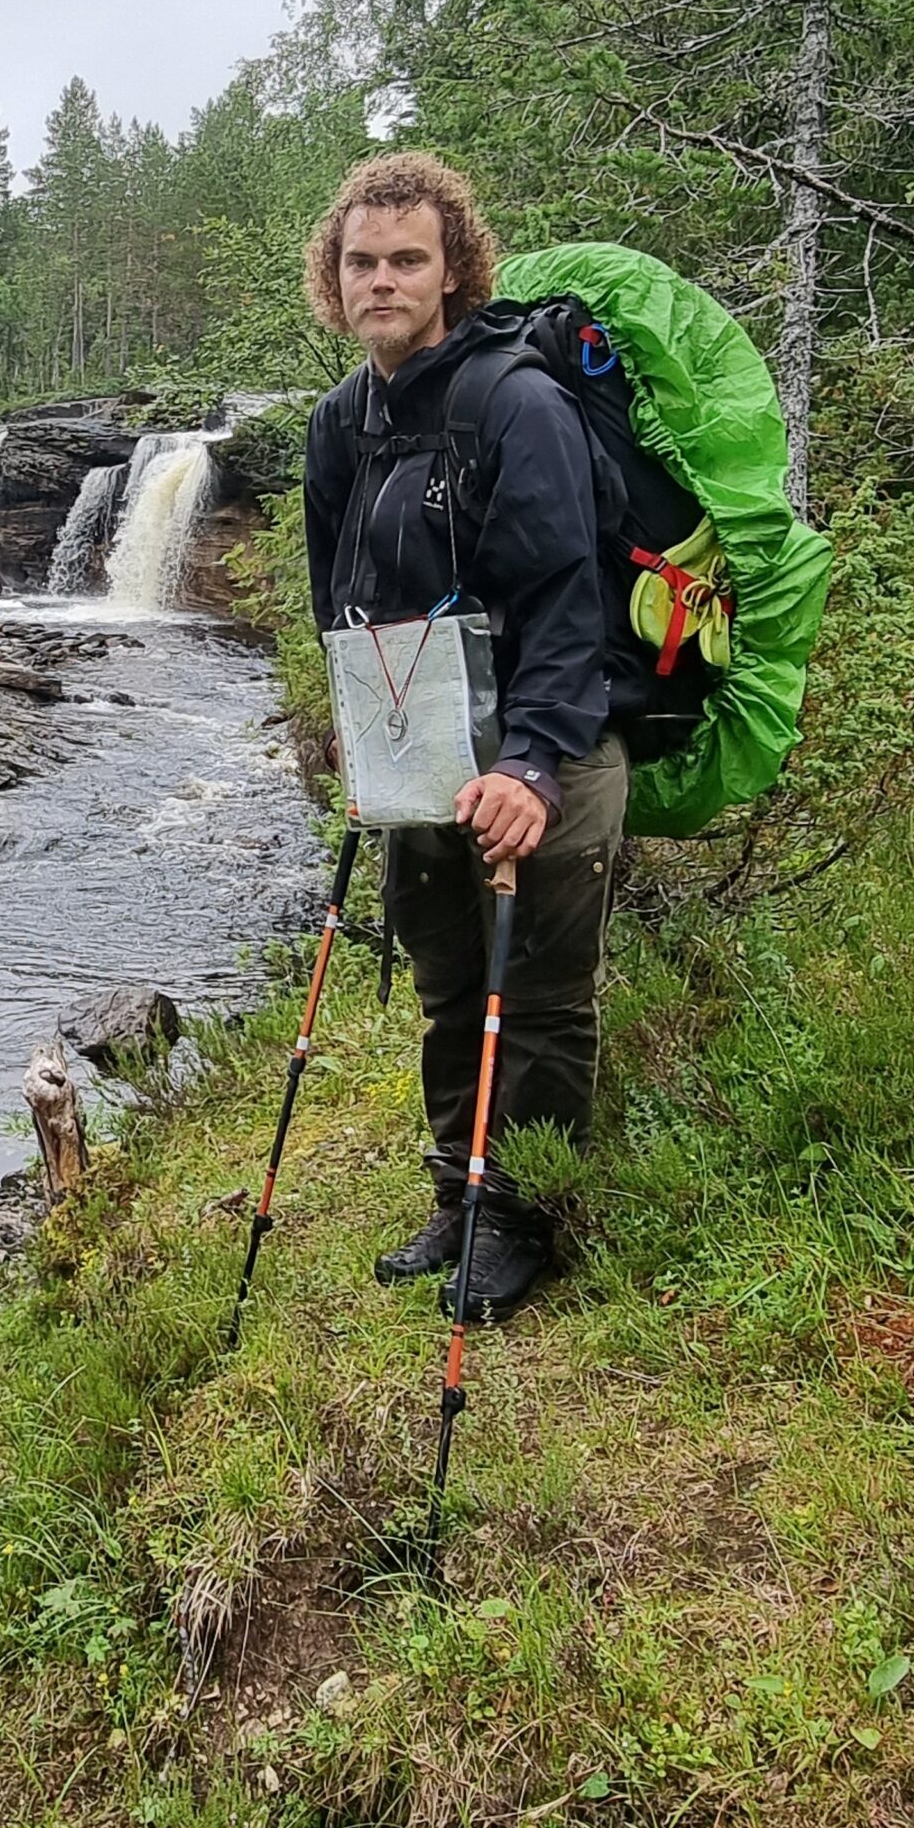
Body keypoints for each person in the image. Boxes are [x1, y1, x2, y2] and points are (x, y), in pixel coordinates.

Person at [301, 152, 628, 1324]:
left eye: (407, 260)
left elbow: (568, 604)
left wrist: (532, 767)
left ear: (452, 273)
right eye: (361, 261)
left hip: (547, 748)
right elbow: (340, 599)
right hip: (425, 748)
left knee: (534, 998)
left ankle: (527, 1221)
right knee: (447, 982)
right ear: (332, 279)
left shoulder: (514, 400)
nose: (381, 280)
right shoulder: (342, 423)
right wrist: (362, 738)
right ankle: (460, 1190)